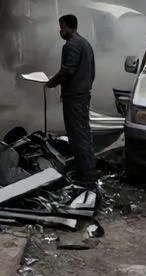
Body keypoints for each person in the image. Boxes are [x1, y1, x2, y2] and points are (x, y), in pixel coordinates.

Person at [45, 14, 97, 185]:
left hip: (75, 97)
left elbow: (68, 70)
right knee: (83, 133)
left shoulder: (72, 45)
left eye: (62, 27)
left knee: (77, 135)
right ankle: (85, 169)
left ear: (67, 26)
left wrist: (52, 82)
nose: (61, 31)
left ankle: (87, 175)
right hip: (82, 95)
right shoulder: (85, 43)